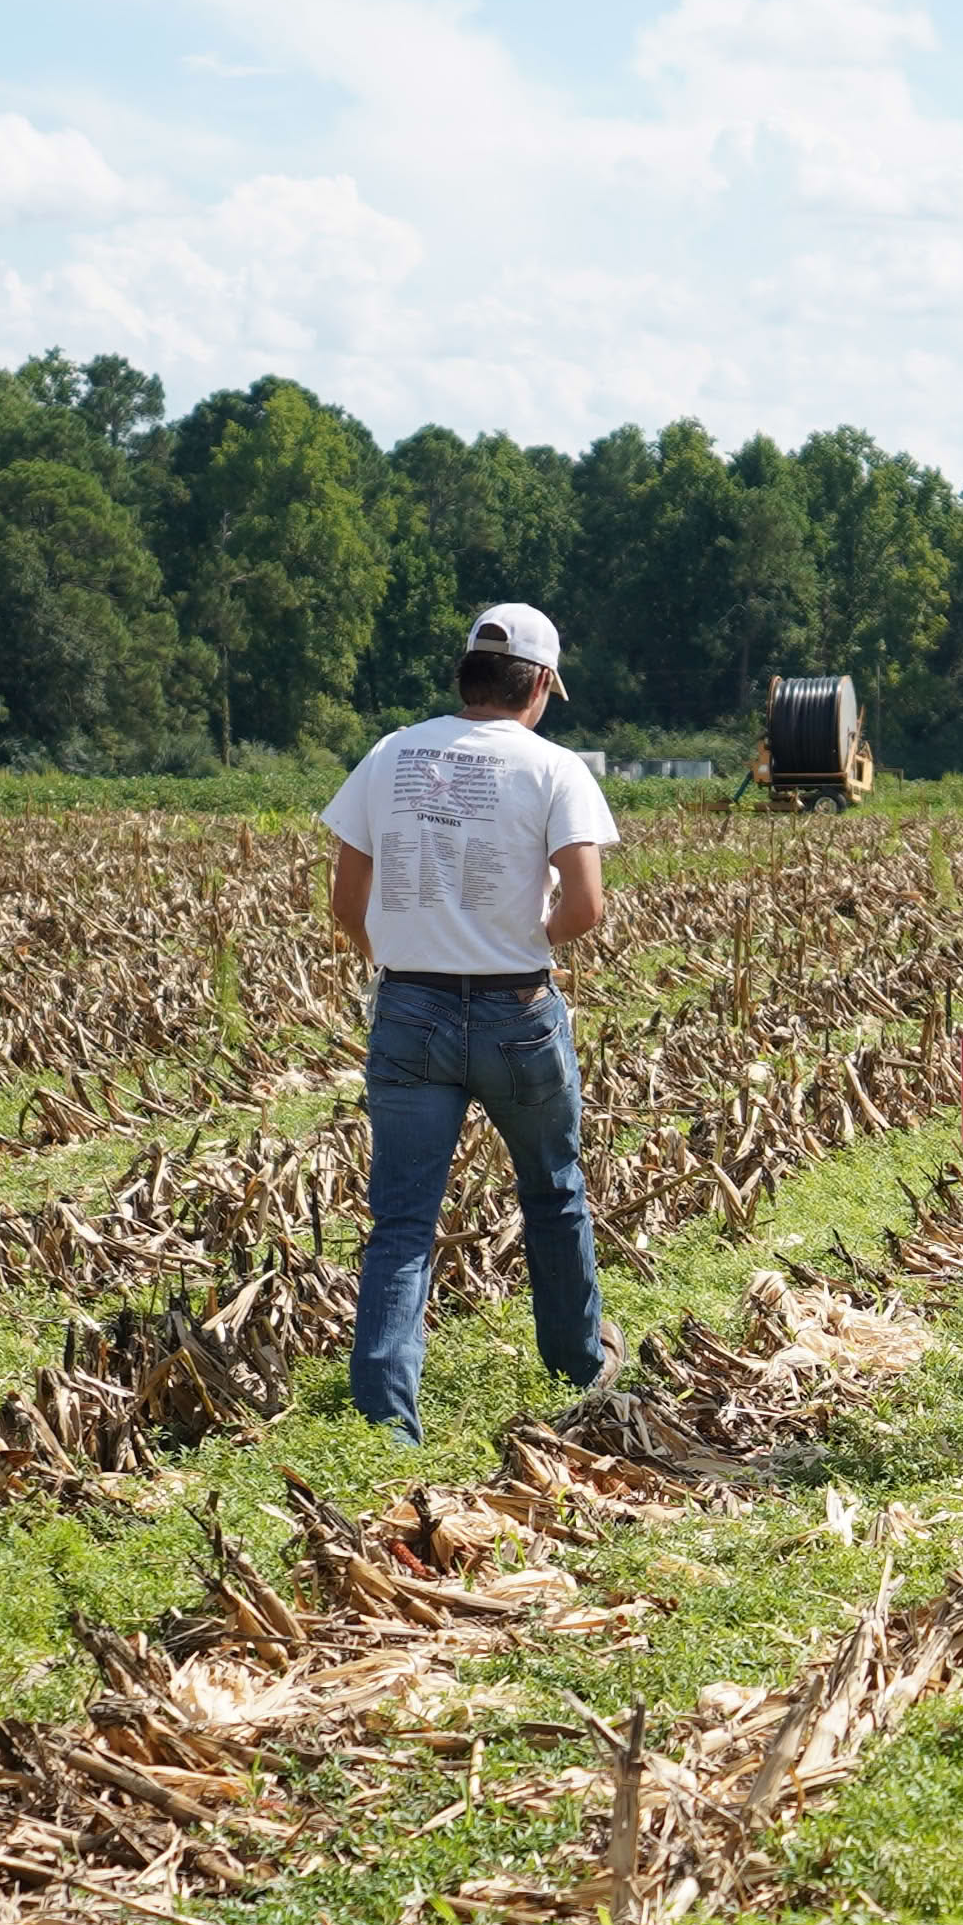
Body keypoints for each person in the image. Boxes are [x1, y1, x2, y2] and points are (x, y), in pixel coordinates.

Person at [320, 602, 623, 1442]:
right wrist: (523, 938)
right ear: (540, 686)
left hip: (409, 1006)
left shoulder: (389, 755)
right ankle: (577, 1363)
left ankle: (386, 1420)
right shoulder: (553, 767)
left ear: (468, 674)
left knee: (404, 1218)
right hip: (518, 1011)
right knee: (553, 1191)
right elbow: (588, 905)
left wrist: (404, 953)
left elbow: (346, 900)